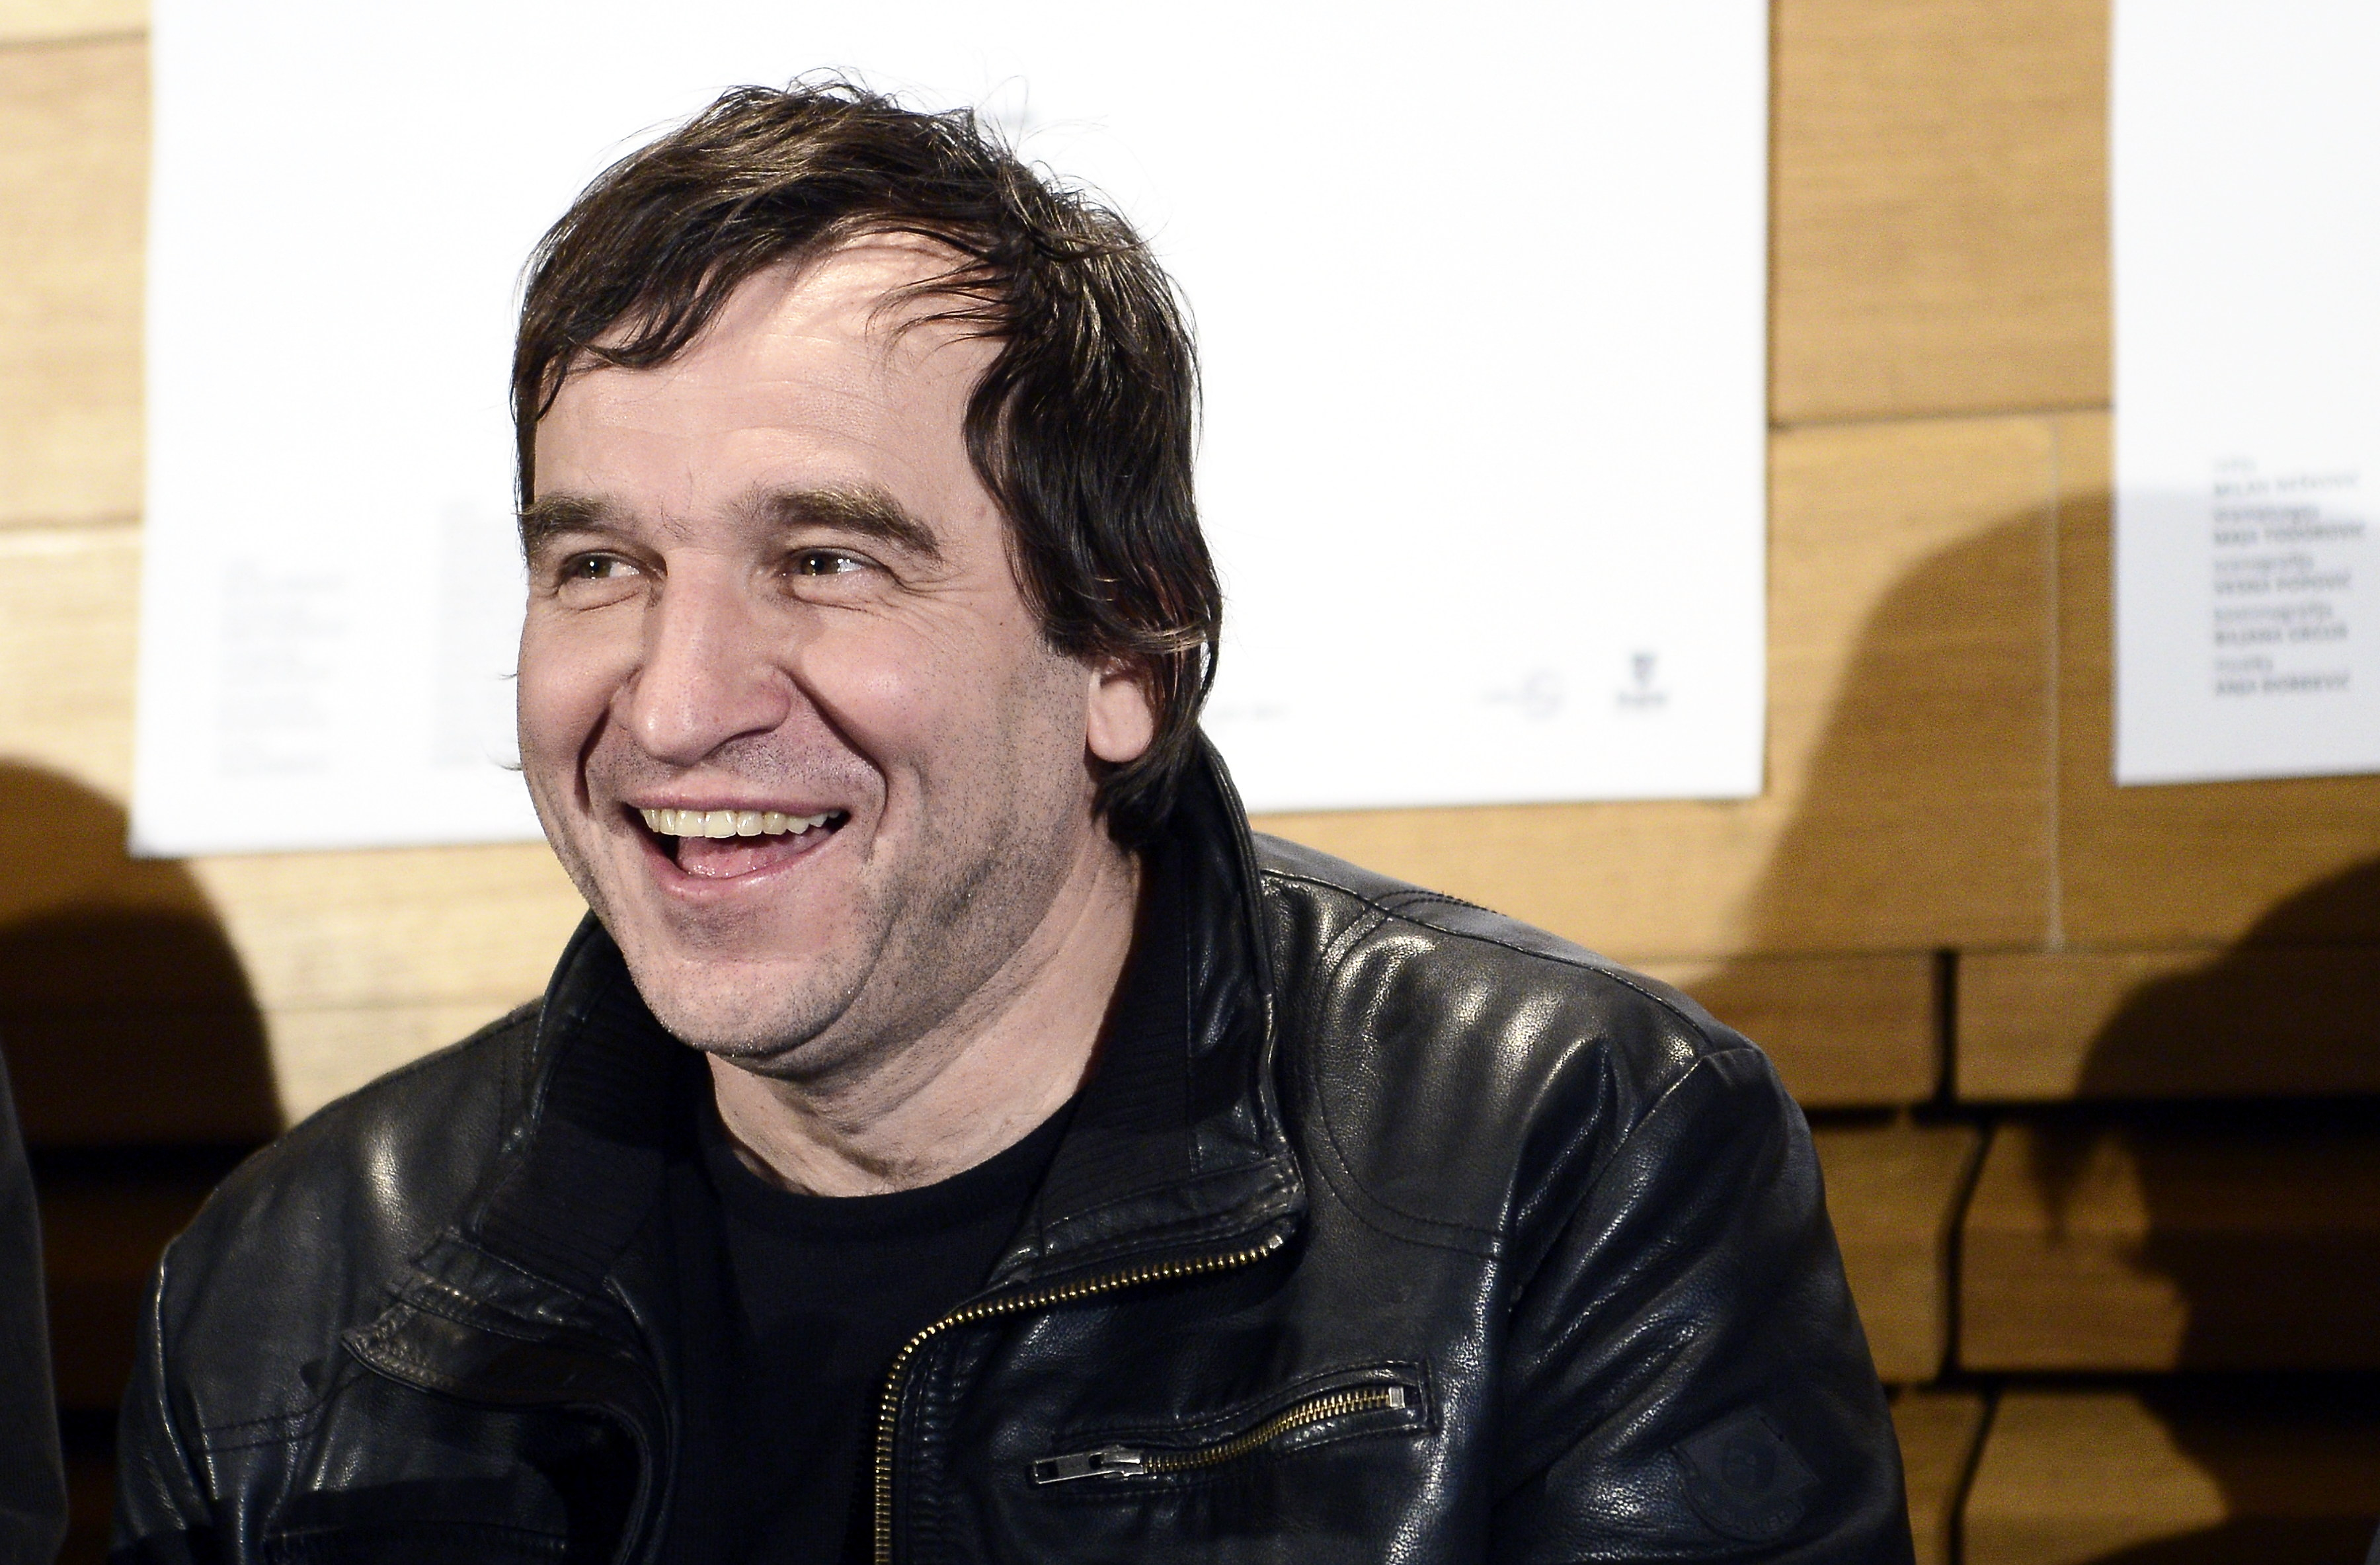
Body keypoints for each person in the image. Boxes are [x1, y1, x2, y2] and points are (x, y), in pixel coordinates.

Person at [112, 81, 1913, 1563]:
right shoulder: (291, 1288)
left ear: (1125, 650)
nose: (671, 705)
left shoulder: (1577, 1155)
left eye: (825, 561)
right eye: (601, 566)